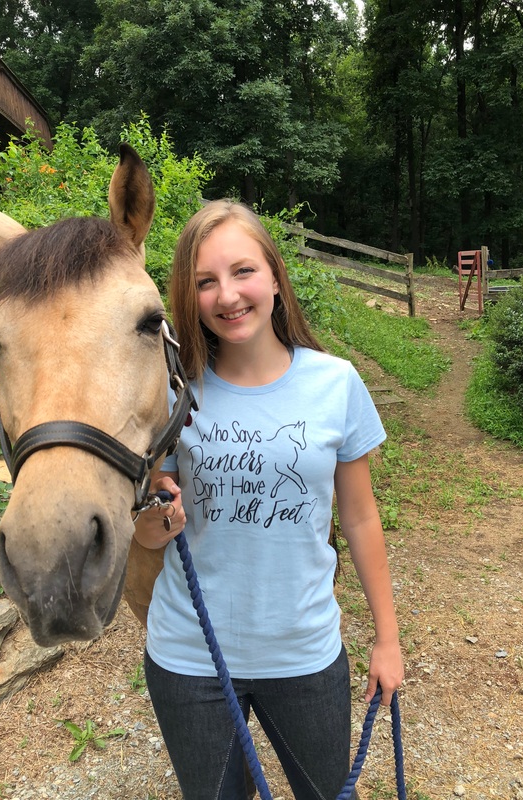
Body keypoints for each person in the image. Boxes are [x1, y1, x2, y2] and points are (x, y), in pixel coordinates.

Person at [132, 199, 404, 800]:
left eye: (243, 271)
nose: (227, 295)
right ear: (189, 297)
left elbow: (360, 518)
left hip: (303, 653)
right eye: (205, 281)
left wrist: (387, 639)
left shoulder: (335, 382)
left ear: (276, 278)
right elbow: (148, 531)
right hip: (191, 657)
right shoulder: (174, 393)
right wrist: (155, 520)